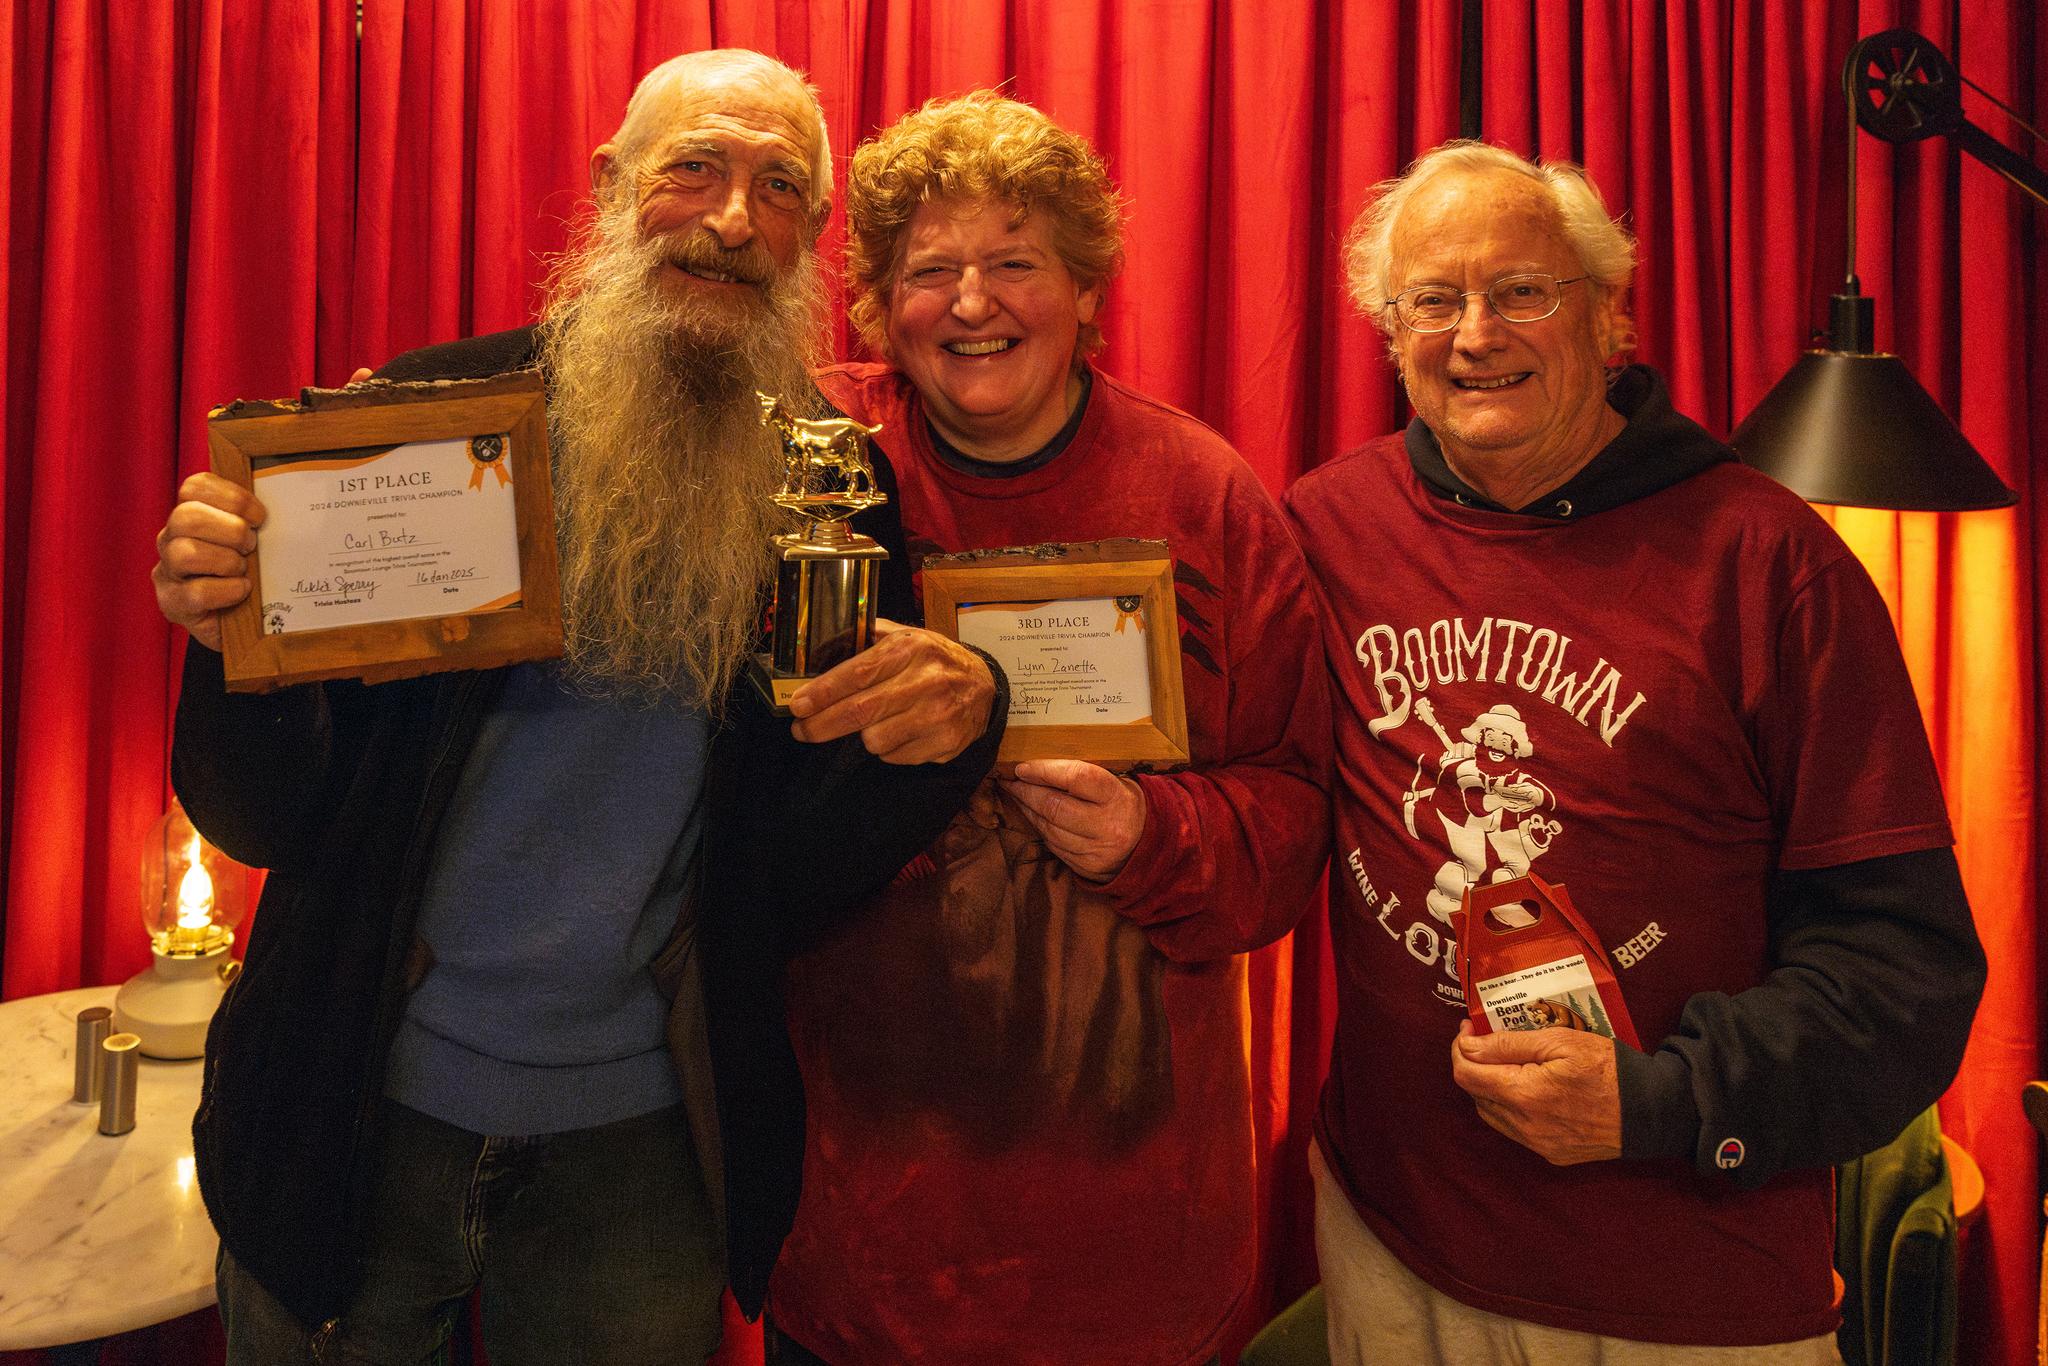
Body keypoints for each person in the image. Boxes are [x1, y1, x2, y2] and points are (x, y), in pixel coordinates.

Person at [150, 50, 1002, 1365]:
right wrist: (227, 637)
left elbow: (802, 867)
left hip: (641, 1152)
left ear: (814, 235)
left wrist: (950, 730)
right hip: (358, 1107)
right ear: (611, 186)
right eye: (694, 169)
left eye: (780, 187)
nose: (734, 219)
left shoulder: (836, 489)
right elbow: (260, 818)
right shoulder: (412, 424)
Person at [1282, 140, 1986, 1361]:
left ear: (1607, 315)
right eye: (1432, 301)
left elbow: (1904, 972)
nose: (1473, 334)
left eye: (1520, 291)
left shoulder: (1767, 563)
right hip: (1392, 1242)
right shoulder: (1326, 526)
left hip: (1685, 1289)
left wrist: (1660, 1101)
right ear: (1390, 334)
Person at [760, 92, 1331, 1366]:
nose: (971, 303)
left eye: (1014, 263)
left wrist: (1150, 832)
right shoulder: (806, 465)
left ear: (1084, 290)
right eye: (929, 272)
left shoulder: (1202, 495)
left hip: (1127, 1240)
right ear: (879, 305)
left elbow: (1296, 818)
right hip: (857, 1233)